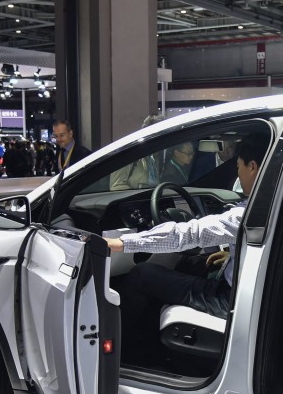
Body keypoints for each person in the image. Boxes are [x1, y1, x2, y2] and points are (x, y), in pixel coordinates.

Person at [104, 135, 269, 326]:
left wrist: (122, 243)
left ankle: (129, 345)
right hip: (246, 290)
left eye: (239, 166)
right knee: (190, 263)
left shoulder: (246, 215)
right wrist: (232, 255)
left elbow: (189, 233)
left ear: (253, 167)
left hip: (229, 299)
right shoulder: (281, 204)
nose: (238, 173)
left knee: (142, 274)